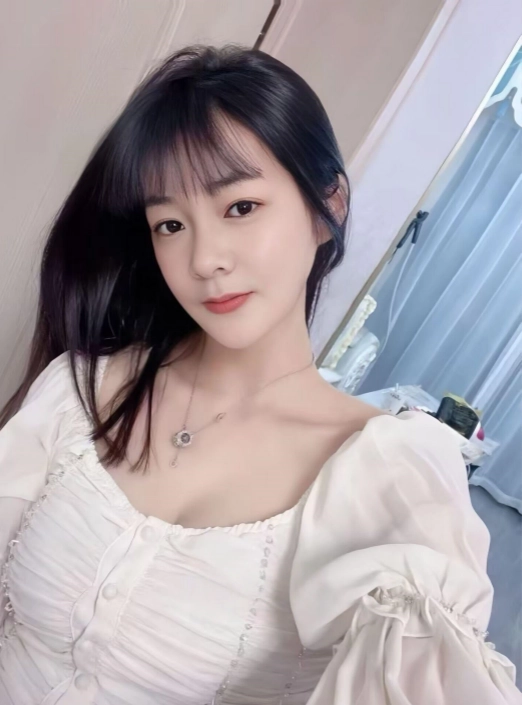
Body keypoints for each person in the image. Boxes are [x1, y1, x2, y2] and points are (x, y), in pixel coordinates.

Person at [0, 43, 519, 705]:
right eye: (169, 224)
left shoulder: (389, 476)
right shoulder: (83, 390)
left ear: (327, 207)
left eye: (240, 207)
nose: (205, 258)